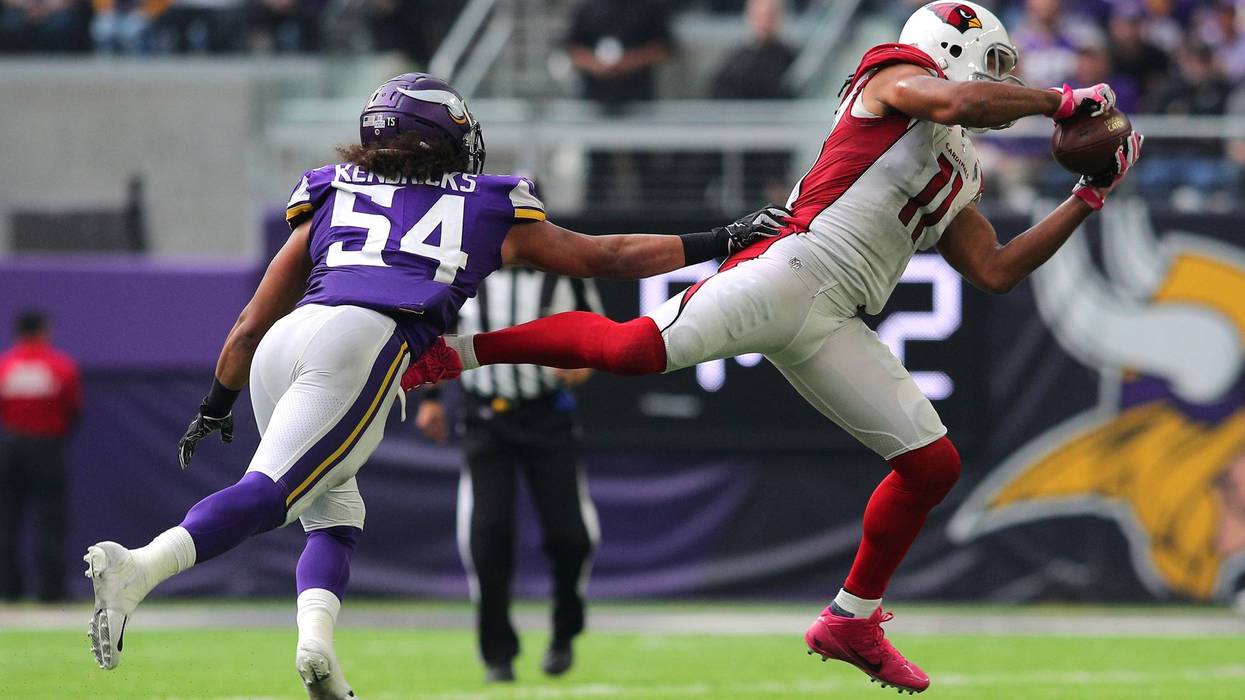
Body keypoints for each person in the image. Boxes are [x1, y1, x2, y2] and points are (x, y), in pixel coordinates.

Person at [402, 2, 1144, 694]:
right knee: (631, 351)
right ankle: (458, 353)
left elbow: (994, 270)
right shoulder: (891, 75)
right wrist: (1060, 101)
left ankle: (850, 619)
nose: (1003, 82)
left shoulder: (961, 167)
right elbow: (956, 102)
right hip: (790, 266)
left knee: (930, 465)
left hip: (836, 319)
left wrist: (1085, 198)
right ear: (953, 49)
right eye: (995, 66)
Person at [81, 72, 785, 700]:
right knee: (271, 495)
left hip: (288, 339)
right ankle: (140, 566)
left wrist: (217, 403)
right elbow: (609, 256)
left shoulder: (331, 189)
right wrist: (724, 237)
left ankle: (317, 648)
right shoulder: (488, 202)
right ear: (440, 138)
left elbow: (245, 323)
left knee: (333, 511)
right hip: (366, 340)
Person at [413, 270, 603, 683]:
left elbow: (597, 337)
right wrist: (431, 398)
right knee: (489, 535)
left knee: (570, 535)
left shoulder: (564, 276)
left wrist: (583, 366)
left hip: (548, 414)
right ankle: (498, 653)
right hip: (485, 417)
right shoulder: (467, 270)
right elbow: (440, 332)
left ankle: (565, 630)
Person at [0, 311, 82, 602]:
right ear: (44, 331)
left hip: (10, 446)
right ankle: (52, 591)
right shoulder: (59, 366)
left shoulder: (5, 366)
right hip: (46, 446)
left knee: (8, 520)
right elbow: (72, 408)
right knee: (51, 520)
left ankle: (9, 591)